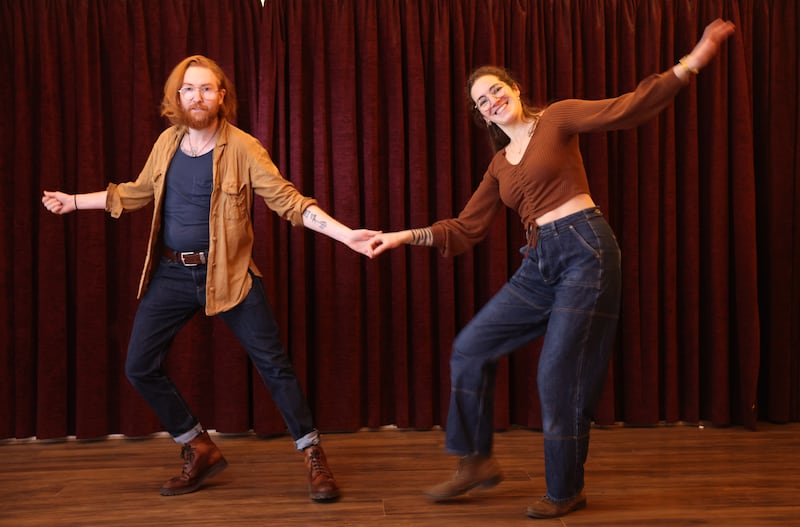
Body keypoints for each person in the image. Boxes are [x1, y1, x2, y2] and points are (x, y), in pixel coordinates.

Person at [368, 19, 735, 520]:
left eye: (496, 90)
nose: (492, 100)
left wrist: (693, 60)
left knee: (557, 375)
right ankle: (475, 461)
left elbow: (626, 108)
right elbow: (465, 228)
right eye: (482, 100)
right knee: (470, 348)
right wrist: (401, 236)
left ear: (515, 90)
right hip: (539, 262)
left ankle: (565, 490)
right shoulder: (499, 166)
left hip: (586, 249)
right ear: (480, 115)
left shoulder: (556, 120)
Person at [42, 55, 379, 501]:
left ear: (222, 96)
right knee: (139, 365)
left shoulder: (243, 147)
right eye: (188, 89)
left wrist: (344, 235)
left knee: (274, 365)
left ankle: (312, 454)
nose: (196, 96)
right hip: (171, 273)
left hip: (229, 274)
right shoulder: (167, 143)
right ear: (176, 97)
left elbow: (289, 202)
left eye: (206, 88)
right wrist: (72, 201)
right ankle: (198, 447)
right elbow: (136, 192)